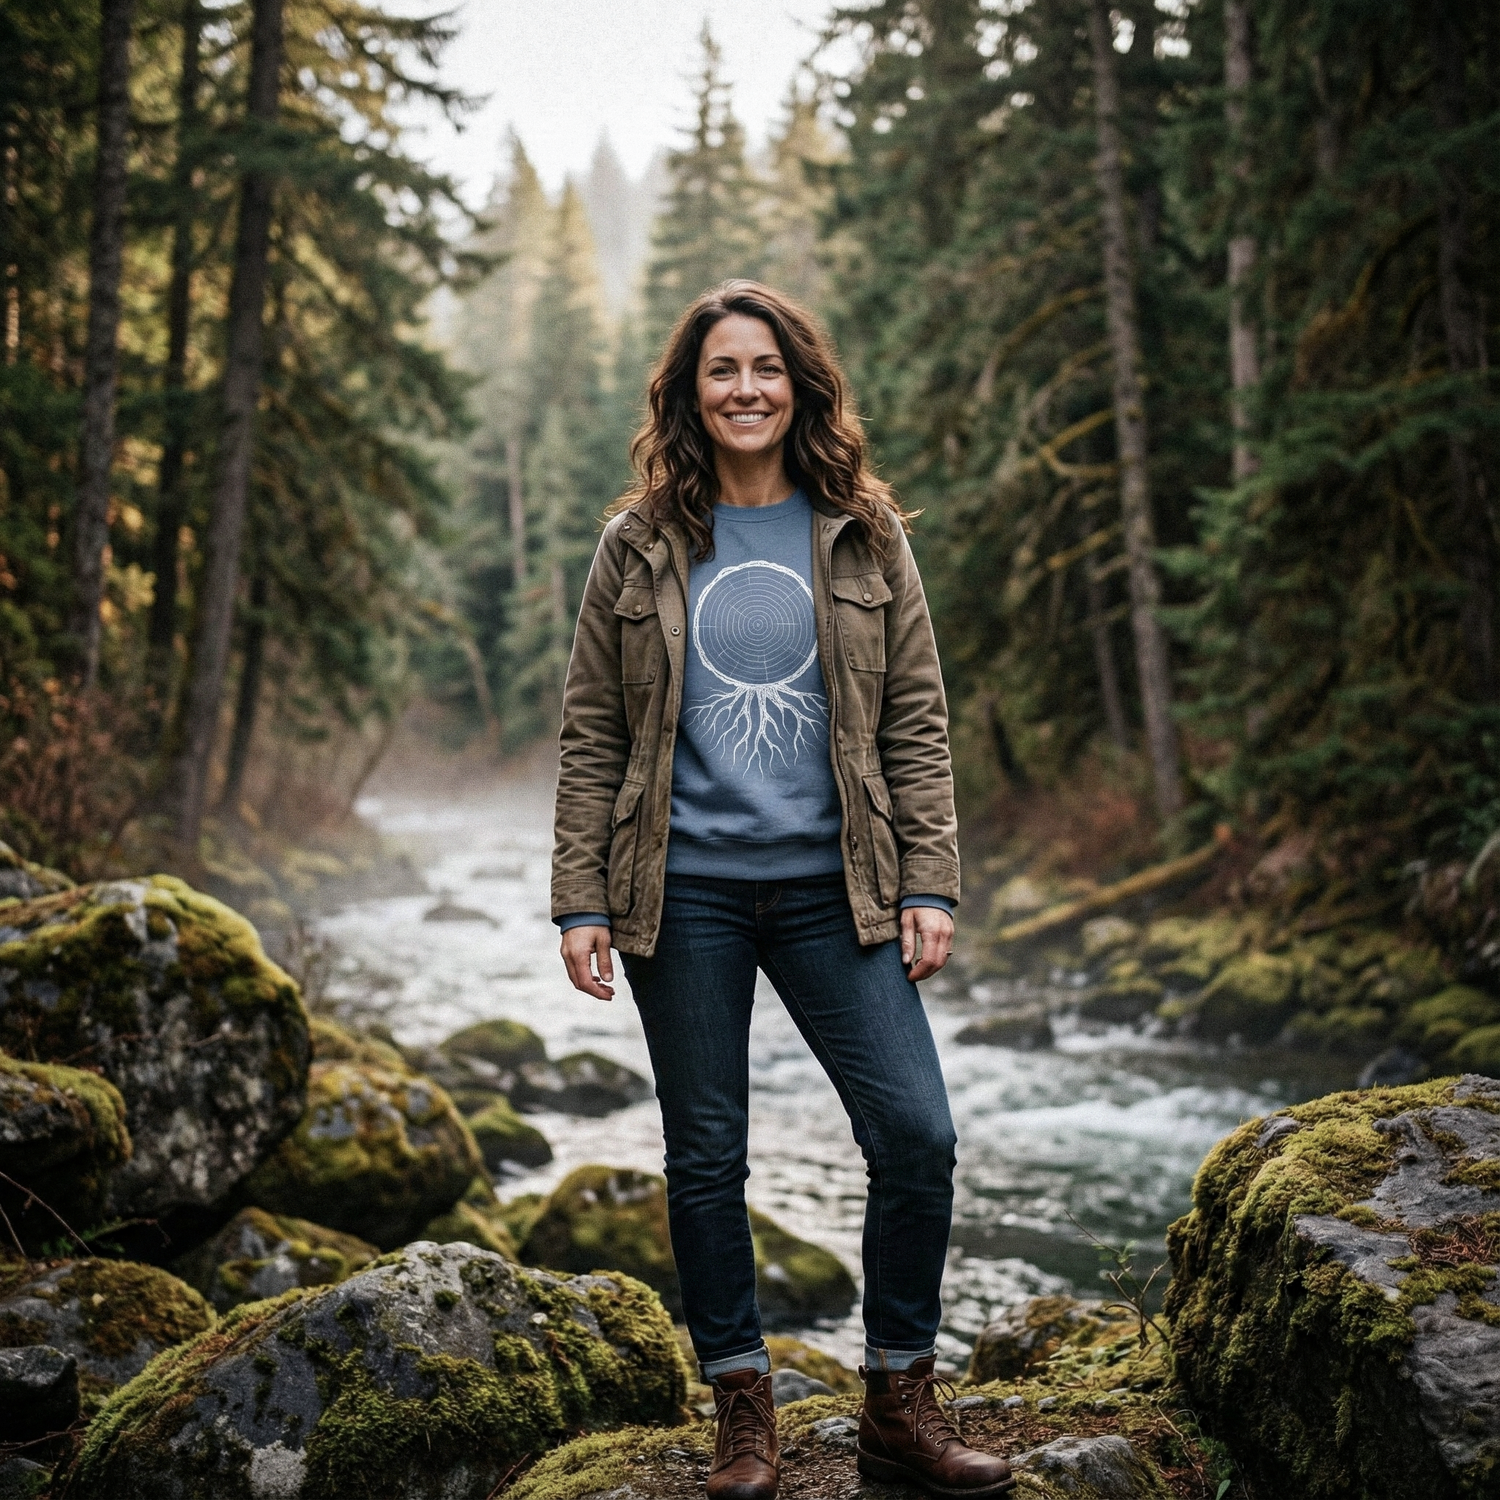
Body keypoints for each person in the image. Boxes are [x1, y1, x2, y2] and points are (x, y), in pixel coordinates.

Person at [551, 280, 1014, 1500]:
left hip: (837, 889)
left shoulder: (864, 531)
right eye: (721, 370)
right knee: (708, 1160)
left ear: (800, 385)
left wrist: (932, 879)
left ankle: (898, 1405)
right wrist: (580, 901)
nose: (745, 388)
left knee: (917, 1132)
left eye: (766, 368)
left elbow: (916, 716)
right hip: (682, 892)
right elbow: (593, 729)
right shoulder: (638, 543)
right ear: (688, 393)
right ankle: (743, 1412)